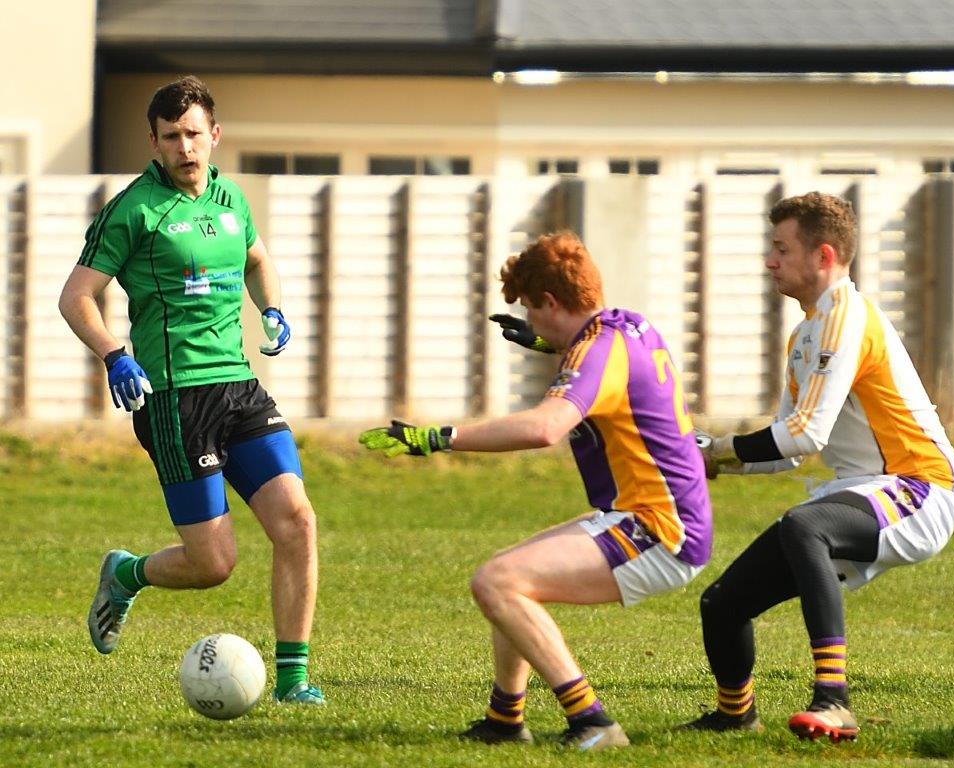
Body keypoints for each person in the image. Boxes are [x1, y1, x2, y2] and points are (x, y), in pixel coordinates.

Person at [359, 232, 712, 751]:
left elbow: (546, 427)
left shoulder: (598, 350)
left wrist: (437, 438)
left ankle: (592, 721)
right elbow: (603, 364)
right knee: (511, 573)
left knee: (496, 583)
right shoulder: (628, 325)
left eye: (532, 308)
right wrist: (546, 341)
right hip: (653, 516)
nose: (532, 318)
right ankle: (506, 720)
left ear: (550, 302)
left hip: (660, 531)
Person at [57, 76, 324, 705]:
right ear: (153, 141)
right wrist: (115, 355)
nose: (185, 147)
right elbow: (76, 297)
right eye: (172, 137)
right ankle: (125, 574)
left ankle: (293, 682)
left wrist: (274, 308)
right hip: (176, 400)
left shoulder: (232, 197)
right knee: (213, 566)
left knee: (299, 523)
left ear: (215, 136)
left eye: (194, 135)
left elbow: (257, 259)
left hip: (240, 387)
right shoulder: (133, 210)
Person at [682, 192, 954, 741]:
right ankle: (734, 714)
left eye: (781, 249)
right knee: (722, 604)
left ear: (823, 255)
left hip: (921, 486)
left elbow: (806, 435)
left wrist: (718, 450)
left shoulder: (847, 316)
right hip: (861, 488)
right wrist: (714, 455)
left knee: (804, 526)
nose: (770, 260)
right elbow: (789, 447)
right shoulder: (807, 331)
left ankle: (834, 700)